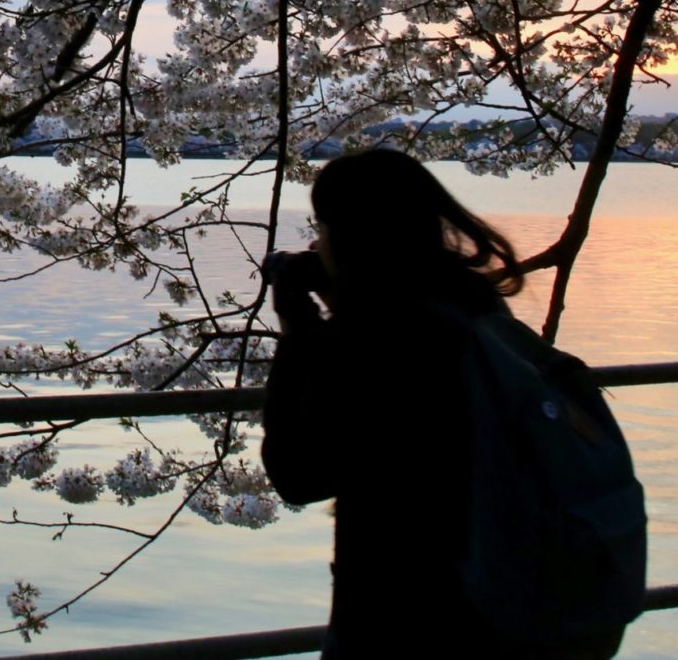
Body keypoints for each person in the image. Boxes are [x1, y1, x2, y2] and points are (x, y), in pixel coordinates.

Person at [258, 148, 627, 659]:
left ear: (347, 234)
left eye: (324, 226)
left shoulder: (380, 340)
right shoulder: (478, 311)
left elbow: (297, 474)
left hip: (405, 613)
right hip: (507, 595)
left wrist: (300, 331)